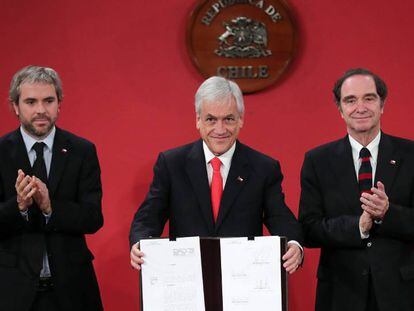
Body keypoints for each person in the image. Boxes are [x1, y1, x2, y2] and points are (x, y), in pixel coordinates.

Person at [130, 76, 303, 274]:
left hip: (241, 279)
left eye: (228, 119)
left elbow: (280, 217)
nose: (220, 130)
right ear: (198, 120)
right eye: (211, 119)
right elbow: (148, 217)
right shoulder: (172, 164)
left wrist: (294, 244)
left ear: (240, 120)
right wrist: (139, 242)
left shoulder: (263, 168)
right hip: (187, 278)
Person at [299, 68, 414, 311]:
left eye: (369, 98)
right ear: (340, 110)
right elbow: (308, 229)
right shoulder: (317, 161)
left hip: (401, 294)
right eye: (350, 100)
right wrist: (357, 227)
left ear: (382, 105)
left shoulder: (410, 155)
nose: (360, 107)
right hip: (340, 294)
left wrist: (387, 213)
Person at [0, 65, 104, 311]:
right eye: (30, 101)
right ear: (15, 106)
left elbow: (93, 218)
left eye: (48, 100)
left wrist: (50, 207)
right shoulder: (1, 152)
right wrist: (19, 206)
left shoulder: (82, 151)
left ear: (59, 103)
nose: (40, 110)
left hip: (72, 289)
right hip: (13, 291)